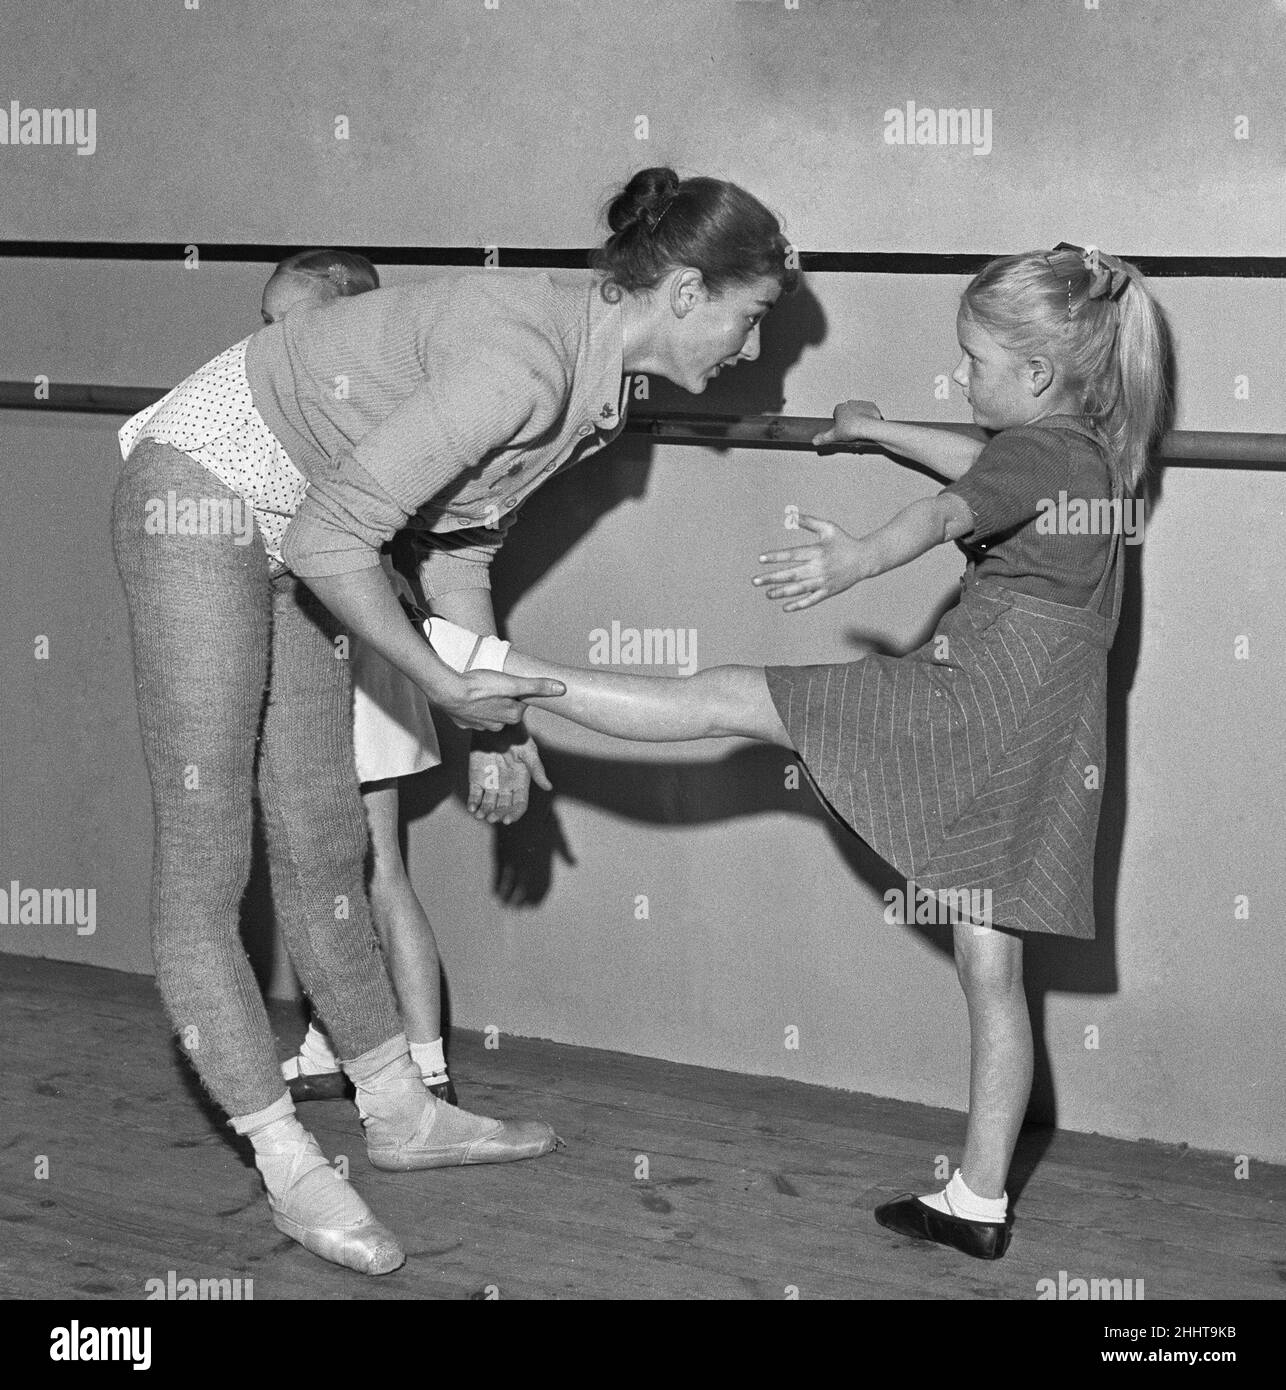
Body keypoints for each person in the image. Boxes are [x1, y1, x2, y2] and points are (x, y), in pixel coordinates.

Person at [411, 242, 1169, 1261]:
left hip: (964, 709)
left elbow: (954, 503)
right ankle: (976, 1199)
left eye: (972, 362)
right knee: (993, 972)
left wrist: (856, 555)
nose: (958, 377)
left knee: (728, 697)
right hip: (1034, 748)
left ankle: (502, 668)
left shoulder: (1038, 457)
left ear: (1032, 376)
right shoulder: (1090, 459)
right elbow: (984, 469)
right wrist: (876, 430)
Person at [110, 166, 796, 1275]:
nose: (752, 351)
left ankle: (397, 1110)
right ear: (682, 290)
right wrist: (439, 683)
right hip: (204, 487)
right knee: (207, 858)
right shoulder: (523, 355)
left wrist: (498, 727)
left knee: (326, 834)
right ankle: (285, 1161)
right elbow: (339, 540)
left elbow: (460, 546)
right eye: (750, 318)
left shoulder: (598, 383)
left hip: (304, 525)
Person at [260, 251, 459, 1105]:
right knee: (321, 864)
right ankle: (332, 1043)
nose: (274, 343)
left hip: (364, 654)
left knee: (376, 866)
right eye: (266, 326)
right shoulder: (302, 405)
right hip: (322, 649)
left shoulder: (372, 412)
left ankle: (426, 1065)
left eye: (292, 324)